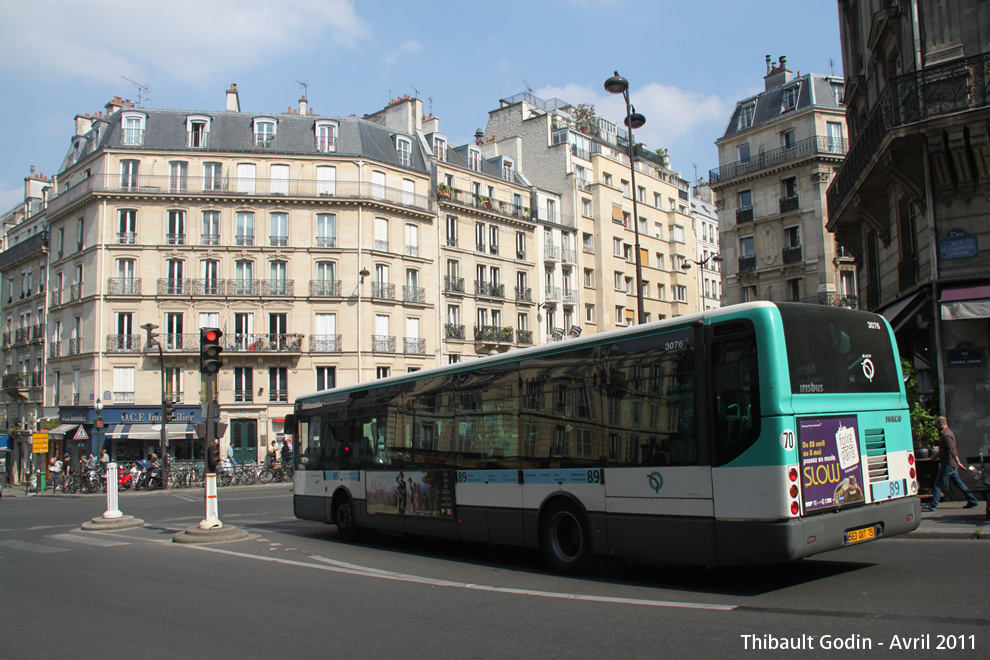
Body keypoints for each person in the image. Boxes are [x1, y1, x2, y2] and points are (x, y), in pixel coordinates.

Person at [923, 416, 980, 511]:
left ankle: (932, 505)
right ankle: (972, 500)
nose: (935, 426)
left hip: (949, 463)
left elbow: (952, 450)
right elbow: (944, 448)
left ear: (942, 424)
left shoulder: (946, 435)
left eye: (936, 424)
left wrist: (959, 463)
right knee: (958, 483)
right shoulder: (945, 434)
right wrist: (936, 456)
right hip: (950, 463)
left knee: (938, 483)